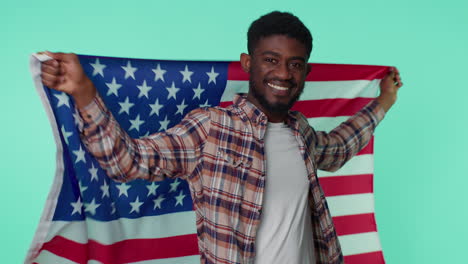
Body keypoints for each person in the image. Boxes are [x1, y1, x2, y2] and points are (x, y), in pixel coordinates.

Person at [40, 11, 402, 264]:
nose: (283, 73)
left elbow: (337, 149)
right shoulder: (210, 128)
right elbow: (128, 162)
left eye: (295, 63)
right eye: (271, 60)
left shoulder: (301, 132)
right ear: (248, 63)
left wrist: (384, 101)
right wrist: (85, 93)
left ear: (305, 71)